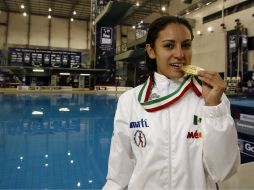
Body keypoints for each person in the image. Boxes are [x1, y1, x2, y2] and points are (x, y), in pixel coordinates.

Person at [103, 16, 240, 190]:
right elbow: (118, 174)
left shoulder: (211, 99)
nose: (180, 54)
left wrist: (213, 108)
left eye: (186, 45)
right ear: (151, 51)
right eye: (169, 45)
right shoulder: (130, 101)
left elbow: (222, 171)